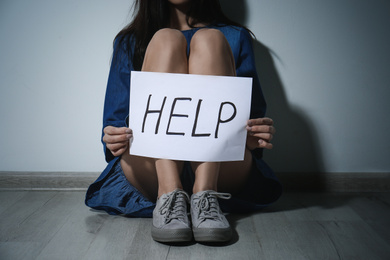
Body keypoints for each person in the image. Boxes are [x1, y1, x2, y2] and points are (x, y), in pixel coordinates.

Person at [85, 0, 282, 243]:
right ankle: (169, 193)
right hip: (153, 169)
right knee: (165, 39)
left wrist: (254, 135)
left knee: (211, 39)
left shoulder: (236, 37)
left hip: (220, 169)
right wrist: (113, 137)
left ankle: (205, 193)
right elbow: (115, 123)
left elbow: (250, 119)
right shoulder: (130, 41)